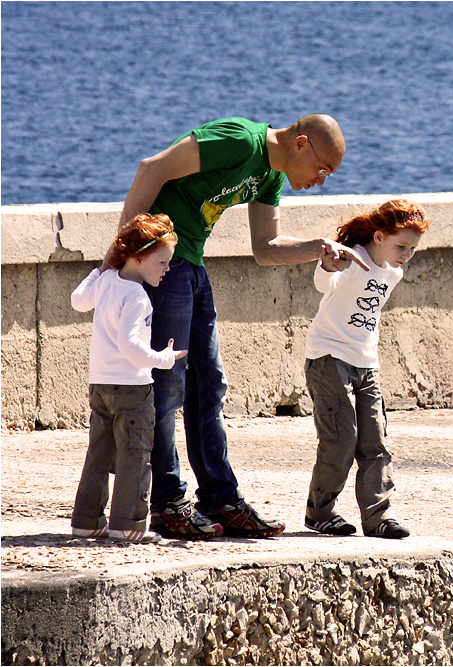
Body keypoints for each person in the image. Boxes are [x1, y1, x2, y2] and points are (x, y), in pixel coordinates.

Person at [107, 114, 368, 540]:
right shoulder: (238, 141)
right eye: (324, 169)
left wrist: (319, 248)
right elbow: (151, 169)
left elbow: (265, 249)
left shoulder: (270, 174)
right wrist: (121, 255)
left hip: (190, 264)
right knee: (167, 383)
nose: (321, 180)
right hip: (160, 264)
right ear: (301, 143)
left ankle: (220, 500)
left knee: (209, 385)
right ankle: (167, 503)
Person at [303, 199, 430, 539]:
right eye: (401, 246)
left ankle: (377, 518)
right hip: (328, 358)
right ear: (378, 236)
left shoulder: (393, 272)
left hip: (366, 363)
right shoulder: (351, 258)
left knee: (375, 442)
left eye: (413, 249)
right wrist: (330, 265)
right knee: (341, 439)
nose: (406, 254)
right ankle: (321, 513)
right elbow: (322, 285)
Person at [71, 213, 187, 544]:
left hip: (100, 385)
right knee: (134, 455)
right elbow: (131, 347)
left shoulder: (107, 281)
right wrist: (164, 359)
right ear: (138, 257)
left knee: (98, 453)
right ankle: (128, 524)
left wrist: (100, 269)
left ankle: (86, 521)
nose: (167, 269)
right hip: (132, 388)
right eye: (162, 261)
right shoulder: (136, 296)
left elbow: (78, 301)